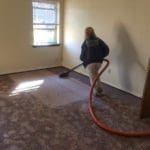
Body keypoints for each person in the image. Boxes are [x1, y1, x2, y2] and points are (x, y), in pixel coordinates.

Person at [80, 27, 109, 97]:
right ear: (93, 32)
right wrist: (102, 56)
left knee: (92, 77)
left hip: (90, 63)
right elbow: (107, 49)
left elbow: (82, 54)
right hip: (99, 62)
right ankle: (99, 89)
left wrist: (82, 59)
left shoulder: (85, 42)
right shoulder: (99, 40)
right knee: (96, 74)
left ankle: (96, 91)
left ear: (85, 33)